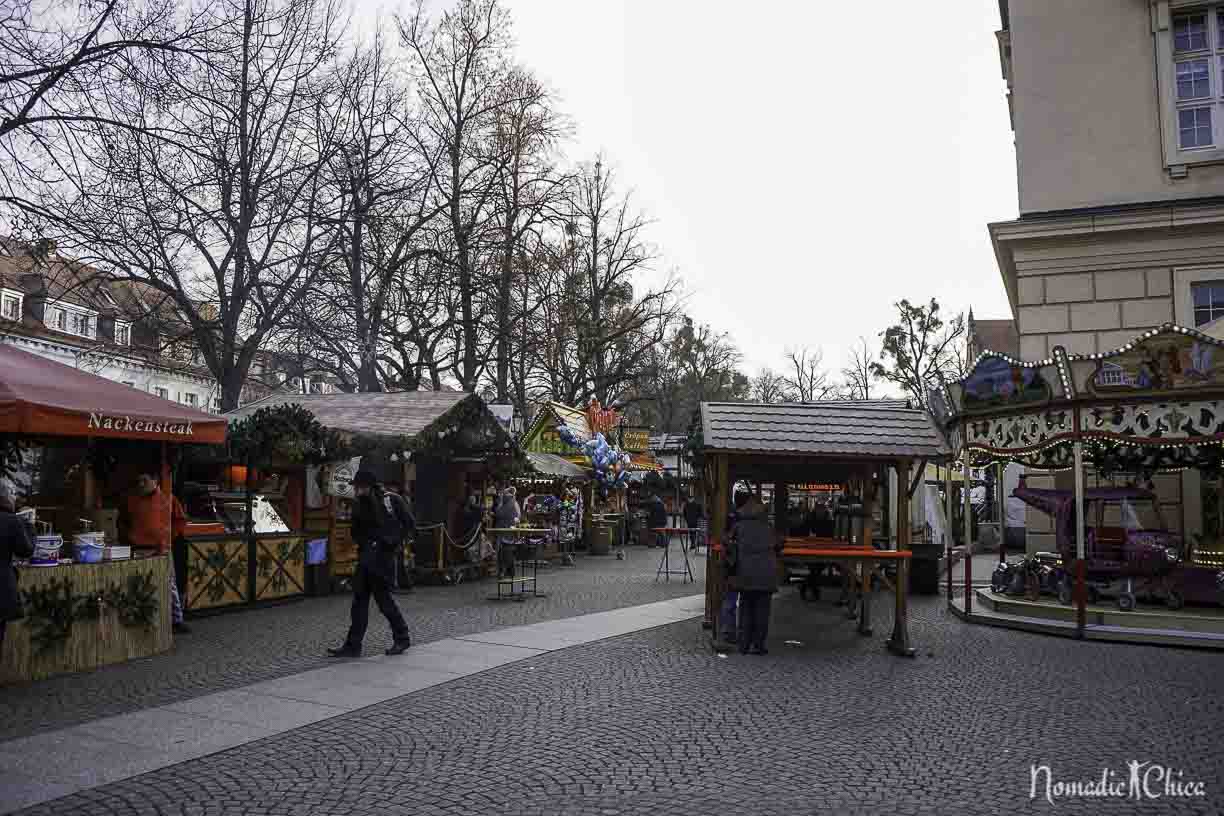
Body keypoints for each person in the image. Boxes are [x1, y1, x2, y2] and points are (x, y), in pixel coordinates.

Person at [329, 470, 411, 657]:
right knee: (359, 603)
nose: (357, 490)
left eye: (360, 487)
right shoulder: (360, 504)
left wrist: (389, 543)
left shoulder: (391, 500)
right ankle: (353, 645)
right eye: (356, 487)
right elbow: (356, 530)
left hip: (382, 559)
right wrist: (364, 544)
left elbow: (408, 524)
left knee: (384, 602)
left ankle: (402, 638)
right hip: (366, 558)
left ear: (369, 486)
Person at [122, 472, 189, 634]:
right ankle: (143, 619)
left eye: (144, 480)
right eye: (139, 481)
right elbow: (123, 521)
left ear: (155, 481)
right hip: (138, 549)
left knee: (169, 583)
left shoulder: (168, 498)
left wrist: (168, 538)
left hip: (162, 548)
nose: (141, 484)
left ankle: (176, 620)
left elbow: (180, 520)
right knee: (139, 584)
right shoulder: (132, 500)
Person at [725, 493, 783, 655]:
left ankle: (743, 645)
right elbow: (779, 544)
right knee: (762, 612)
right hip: (766, 575)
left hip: (745, 574)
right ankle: (758, 645)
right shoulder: (768, 527)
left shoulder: (738, 526)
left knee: (745, 610)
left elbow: (727, 542)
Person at [1, 482, 34, 652]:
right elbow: (26, 551)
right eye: (13, 494)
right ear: (6, 496)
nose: (15, 498)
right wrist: (29, 524)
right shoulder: (11, 521)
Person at [494, 486, 521, 578]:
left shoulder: (505, 501)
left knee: (502, 552)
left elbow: (499, 513)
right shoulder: (515, 502)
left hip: (503, 531)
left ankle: (503, 571)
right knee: (508, 551)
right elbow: (518, 517)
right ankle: (509, 571)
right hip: (511, 530)